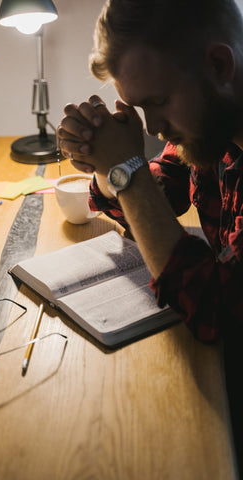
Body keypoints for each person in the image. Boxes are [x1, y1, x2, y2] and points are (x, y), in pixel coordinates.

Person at [58, 0, 243, 471]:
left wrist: (124, 168)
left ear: (220, 65)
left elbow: (216, 310)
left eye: (158, 102)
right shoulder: (215, 120)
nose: (155, 127)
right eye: (141, 108)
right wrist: (102, 161)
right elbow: (164, 189)